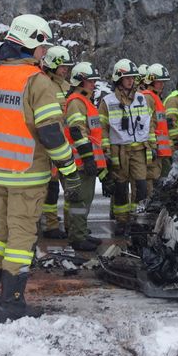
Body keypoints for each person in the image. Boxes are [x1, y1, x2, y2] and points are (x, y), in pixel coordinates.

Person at [0, 14, 80, 322]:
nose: (45, 54)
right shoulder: (37, 82)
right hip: (26, 174)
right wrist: (69, 168)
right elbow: (51, 133)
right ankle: (13, 305)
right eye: (43, 48)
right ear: (32, 44)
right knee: (20, 238)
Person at [98, 58, 154, 231]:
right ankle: (122, 221)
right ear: (118, 79)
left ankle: (138, 219)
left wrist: (152, 144)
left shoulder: (142, 99)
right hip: (119, 150)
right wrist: (106, 151)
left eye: (133, 78)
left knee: (141, 187)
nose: (131, 81)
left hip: (139, 149)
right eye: (127, 77)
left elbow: (149, 123)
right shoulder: (107, 101)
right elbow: (103, 128)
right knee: (120, 188)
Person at [62, 62, 106, 251]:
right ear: (80, 81)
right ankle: (77, 237)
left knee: (84, 199)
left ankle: (81, 231)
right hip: (79, 162)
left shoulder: (84, 101)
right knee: (79, 200)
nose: (94, 84)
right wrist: (88, 158)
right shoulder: (76, 102)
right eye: (90, 81)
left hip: (84, 160)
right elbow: (77, 131)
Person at [38, 45, 73, 238]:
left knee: (70, 187)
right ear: (52, 65)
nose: (65, 70)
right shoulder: (43, 84)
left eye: (67, 67)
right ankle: (50, 226)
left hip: (67, 146)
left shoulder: (67, 87)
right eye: (62, 67)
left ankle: (71, 226)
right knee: (50, 189)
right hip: (49, 146)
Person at [141, 63, 175, 179]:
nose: (162, 85)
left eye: (163, 82)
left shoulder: (156, 98)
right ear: (151, 81)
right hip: (155, 149)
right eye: (159, 82)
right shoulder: (148, 97)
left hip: (161, 151)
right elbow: (147, 123)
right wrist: (152, 147)